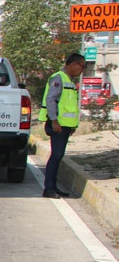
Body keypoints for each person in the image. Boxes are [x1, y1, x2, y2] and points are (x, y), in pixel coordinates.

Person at [37, 53, 84, 199]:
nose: (82, 69)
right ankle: (49, 189)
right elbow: (51, 100)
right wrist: (54, 121)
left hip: (65, 125)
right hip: (57, 124)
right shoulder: (59, 78)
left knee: (58, 156)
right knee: (56, 156)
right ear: (73, 64)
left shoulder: (69, 80)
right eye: (81, 66)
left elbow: (69, 105)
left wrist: (73, 124)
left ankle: (53, 187)